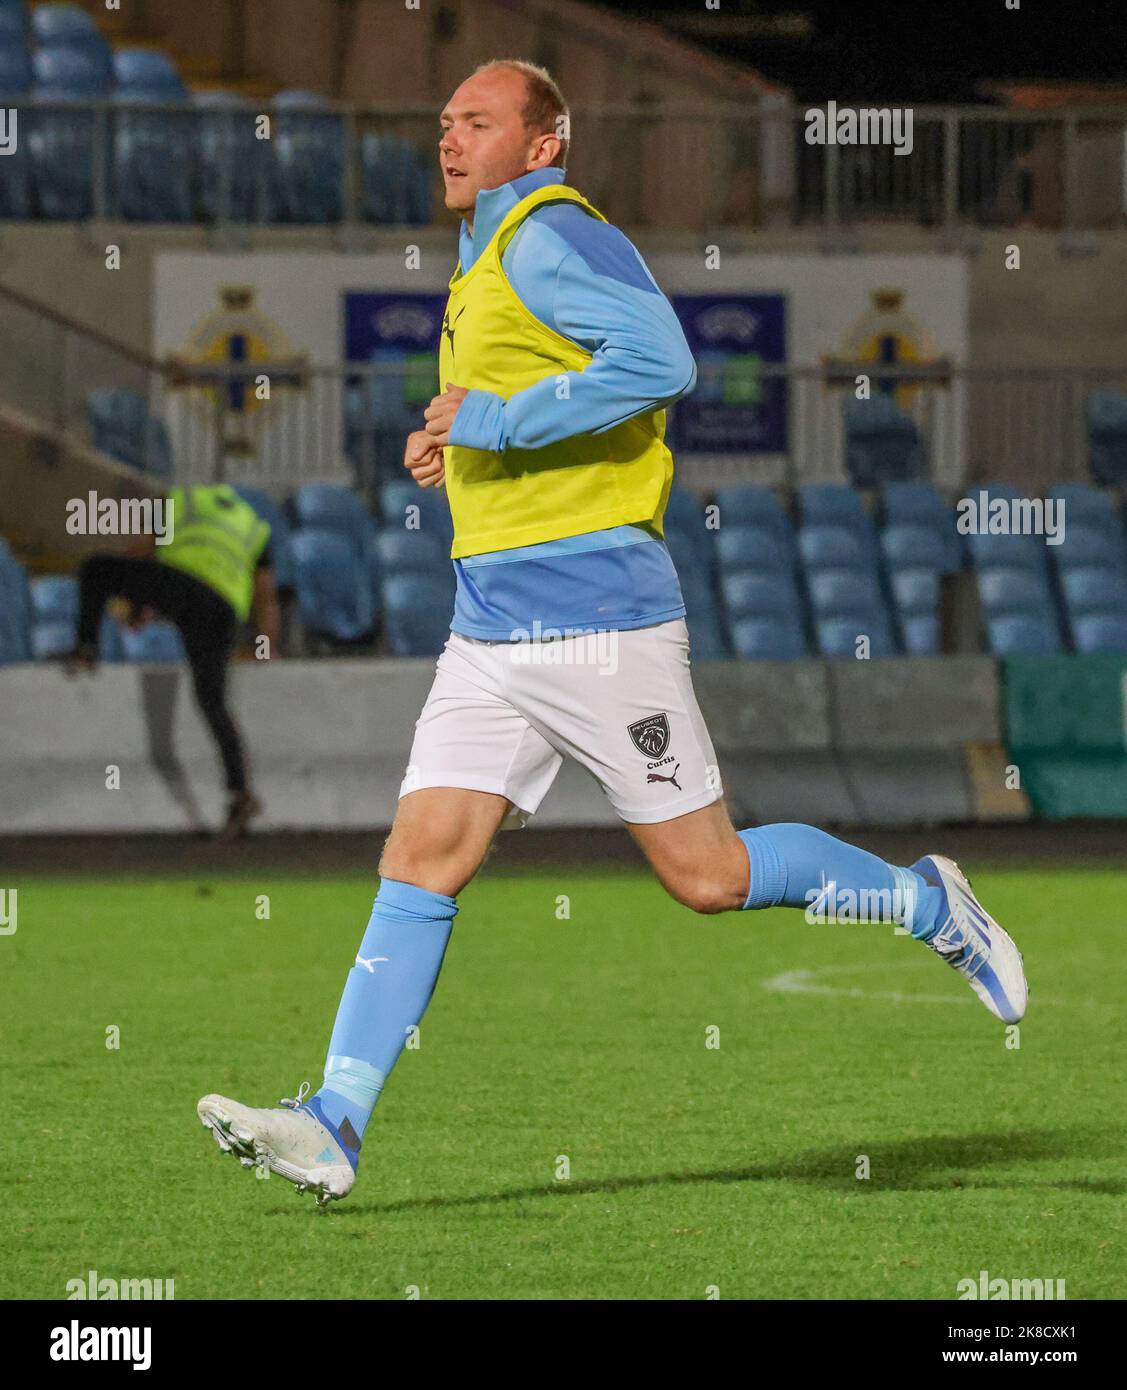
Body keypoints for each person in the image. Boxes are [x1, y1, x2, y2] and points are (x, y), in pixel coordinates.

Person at [198, 60, 1027, 1206]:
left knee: (708, 876)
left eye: (478, 123)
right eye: (444, 122)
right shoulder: (486, 251)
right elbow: (541, 397)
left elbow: (660, 362)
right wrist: (467, 446)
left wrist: (491, 416)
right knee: (421, 856)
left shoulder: (547, 232)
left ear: (545, 143)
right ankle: (334, 1119)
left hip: (596, 620)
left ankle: (929, 900)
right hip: (490, 624)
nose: (450, 139)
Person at [72, 483, 278, 838]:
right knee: (213, 702)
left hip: (185, 587)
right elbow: (265, 595)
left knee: (97, 570)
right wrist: (265, 644)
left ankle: (87, 648)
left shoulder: (182, 501)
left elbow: (142, 551)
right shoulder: (253, 523)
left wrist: (136, 607)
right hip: (222, 610)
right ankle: (239, 793)